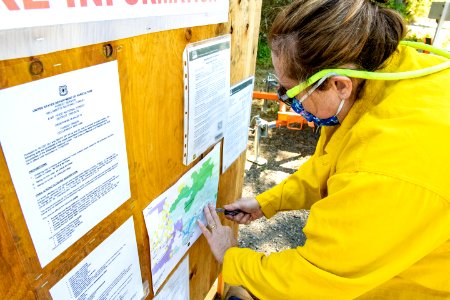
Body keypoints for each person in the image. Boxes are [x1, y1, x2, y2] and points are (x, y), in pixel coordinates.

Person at [198, 0, 450, 299]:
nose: (287, 102)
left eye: (290, 93)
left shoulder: (387, 167)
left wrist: (231, 258)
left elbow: (314, 279)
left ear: (339, 85)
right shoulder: (376, 74)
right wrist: (267, 202)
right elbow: (331, 164)